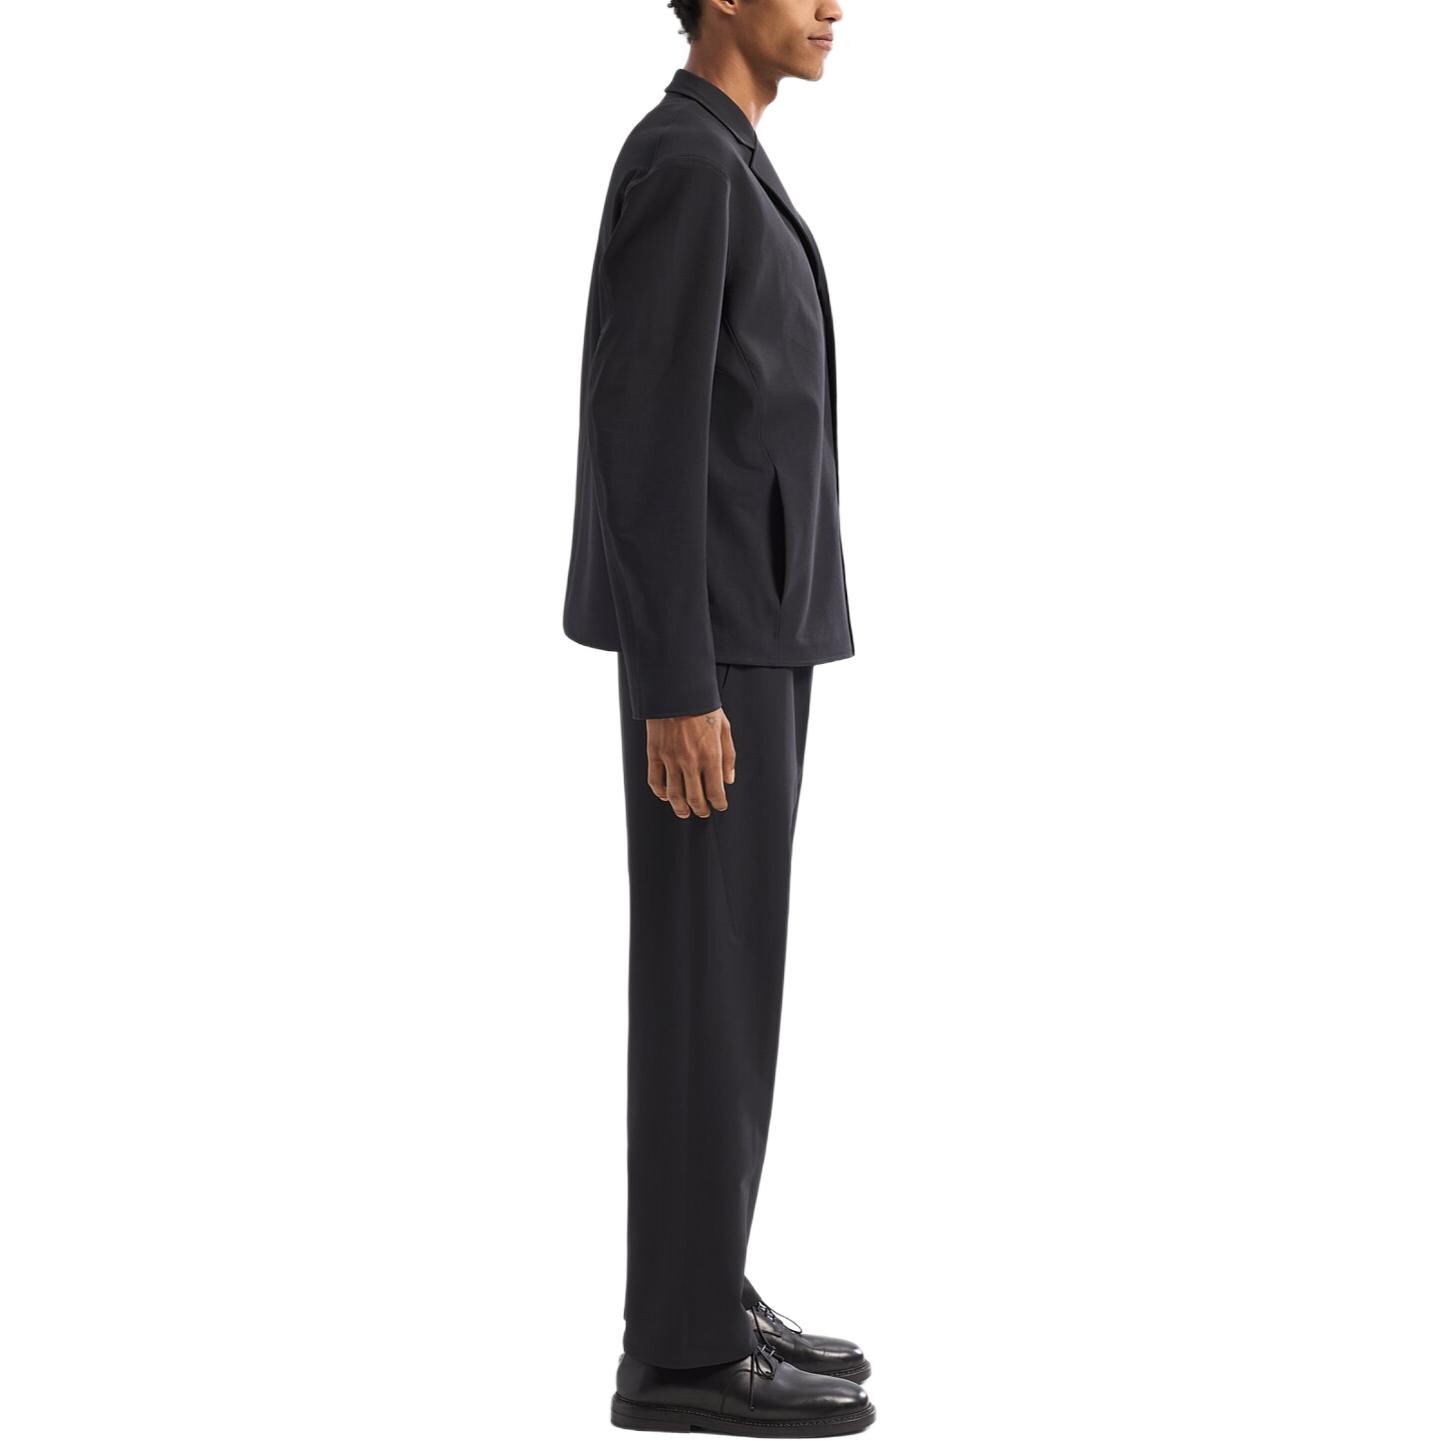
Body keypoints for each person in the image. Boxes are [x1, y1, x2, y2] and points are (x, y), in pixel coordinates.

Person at [562, 2, 874, 1433]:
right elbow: (644, 431)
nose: (834, 5)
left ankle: (700, 1288)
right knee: (707, 986)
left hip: (751, 636)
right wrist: (677, 682)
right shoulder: (687, 164)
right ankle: (679, 1356)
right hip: (713, 658)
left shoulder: (724, 153)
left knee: (730, 986)